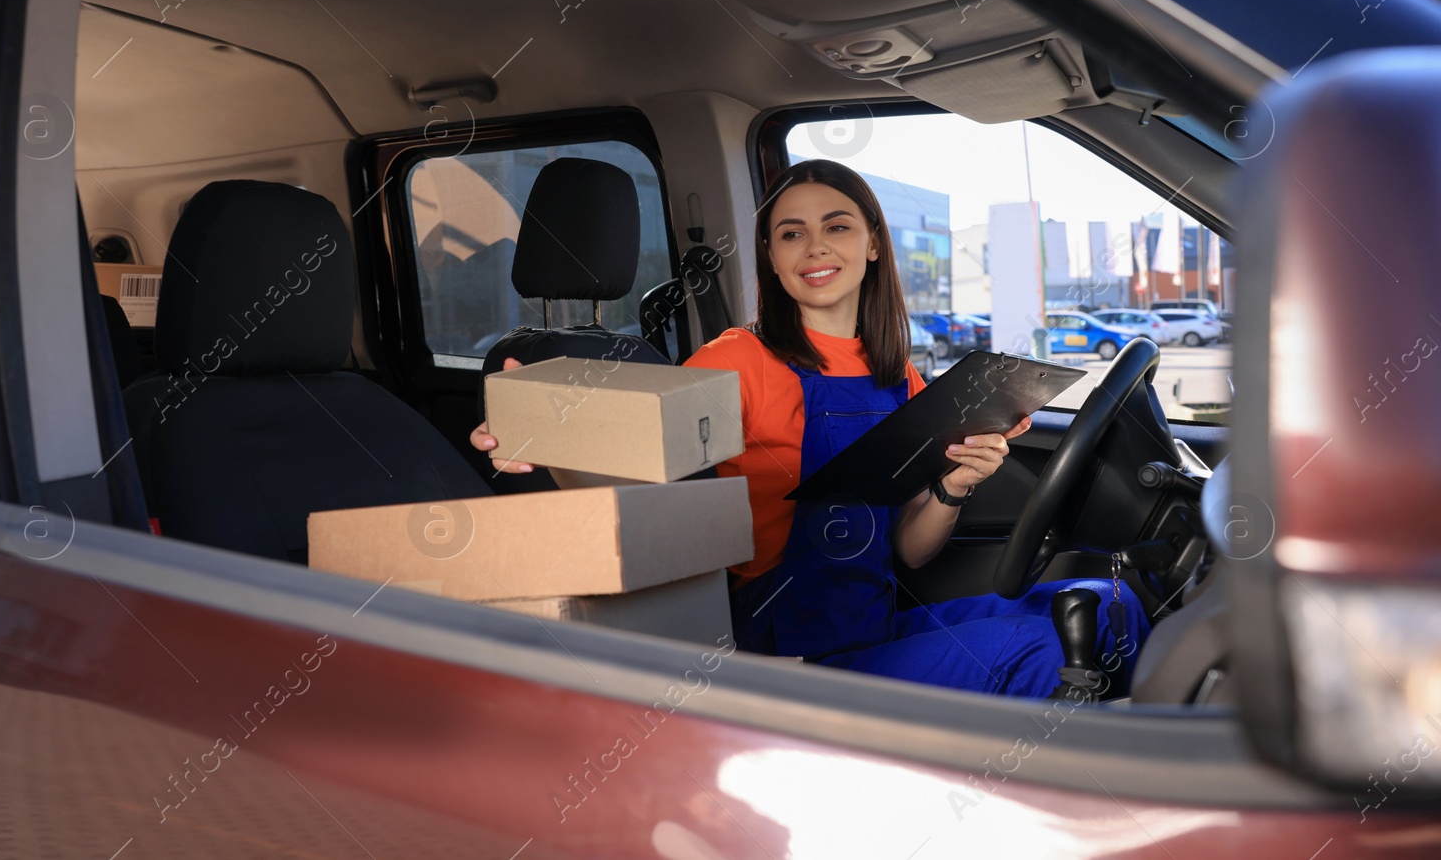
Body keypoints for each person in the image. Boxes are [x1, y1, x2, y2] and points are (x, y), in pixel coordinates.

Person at [472, 159, 1147, 698]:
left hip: (868, 625)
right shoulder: (736, 359)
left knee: (1106, 603)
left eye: (837, 225)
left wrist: (955, 484)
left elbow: (910, 551)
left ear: (874, 243)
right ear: (769, 255)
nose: (814, 245)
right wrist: (535, 439)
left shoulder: (899, 377)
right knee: (1042, 648)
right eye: (790, 232)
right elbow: (641, 439)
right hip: (780, 651)